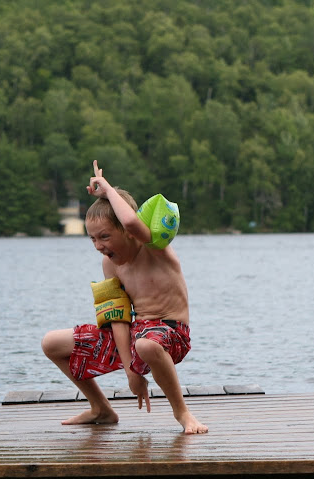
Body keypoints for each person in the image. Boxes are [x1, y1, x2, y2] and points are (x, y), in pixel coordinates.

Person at [41, 160, 208, 434]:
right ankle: (101, 409)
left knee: (146, 345)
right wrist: (131, 371)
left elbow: (131, 221)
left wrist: (108, 190)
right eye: (93, 239)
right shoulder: (110, 265)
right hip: (135, 336)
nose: (99, 246)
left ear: (127, 232)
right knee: (52, 343)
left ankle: (183, 413)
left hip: (171, 334)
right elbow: (117, 317)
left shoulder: (153, 247)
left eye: (104, 236)